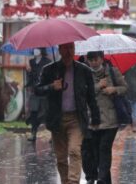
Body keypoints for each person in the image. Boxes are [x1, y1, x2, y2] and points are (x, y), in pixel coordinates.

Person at [35, 43, 100, 184]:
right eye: (65, 48)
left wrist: (95, 116)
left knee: (75, 151)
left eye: (71, 47)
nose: (69, 51)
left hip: (76, 118)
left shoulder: (84, 70)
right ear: (59, 50)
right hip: (57, 119)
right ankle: (65, 181)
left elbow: (91, 96)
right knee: (61, 158)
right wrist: (52, 86)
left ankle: (73, 182)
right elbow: (37, 90)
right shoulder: (49, 70)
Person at [82, 51, 127, 184]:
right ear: (87, 60)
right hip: (92, 119)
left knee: (104, 148)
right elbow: (82, 92)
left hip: (110, 119)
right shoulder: (84, 73)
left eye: (96, 59)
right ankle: (101, 179)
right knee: (95, 151)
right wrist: (98, 86)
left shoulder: (113, 71)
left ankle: (101, 178)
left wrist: (114, 89)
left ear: (102, 59)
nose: (94, 62)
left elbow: (125, 87)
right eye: (91, 60)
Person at [25, 48, 51, 141]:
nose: (35, 50)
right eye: (34, 48)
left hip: (45, 92)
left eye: (37, 48)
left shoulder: (48, 62)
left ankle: (53, 135)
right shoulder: (31, 62)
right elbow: (30, 78)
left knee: (47, 114)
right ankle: (33, 133)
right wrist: (28, 70)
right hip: (35, 92)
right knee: (34, 113)